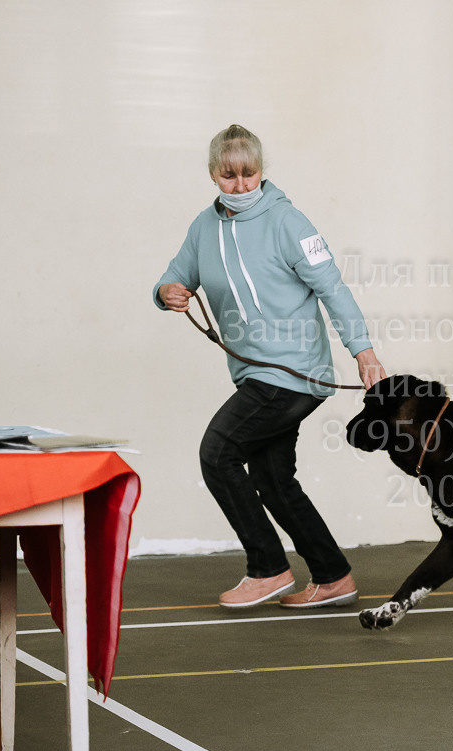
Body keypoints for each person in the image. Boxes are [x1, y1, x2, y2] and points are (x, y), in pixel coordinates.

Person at [154, 124, 386, 610]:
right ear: (213, 174)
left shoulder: (289, 222)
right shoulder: (204, 228)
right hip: (255, 372)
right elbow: (176, 276)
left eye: (249, 173)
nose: (240, 185)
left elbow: (333, 289)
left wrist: (362, 351)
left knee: (217, 453)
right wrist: (166, 293)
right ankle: (332, 575)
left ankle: (267, 568)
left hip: (295, 372)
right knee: (273, 477)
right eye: (228, 175)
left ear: (262, 170)